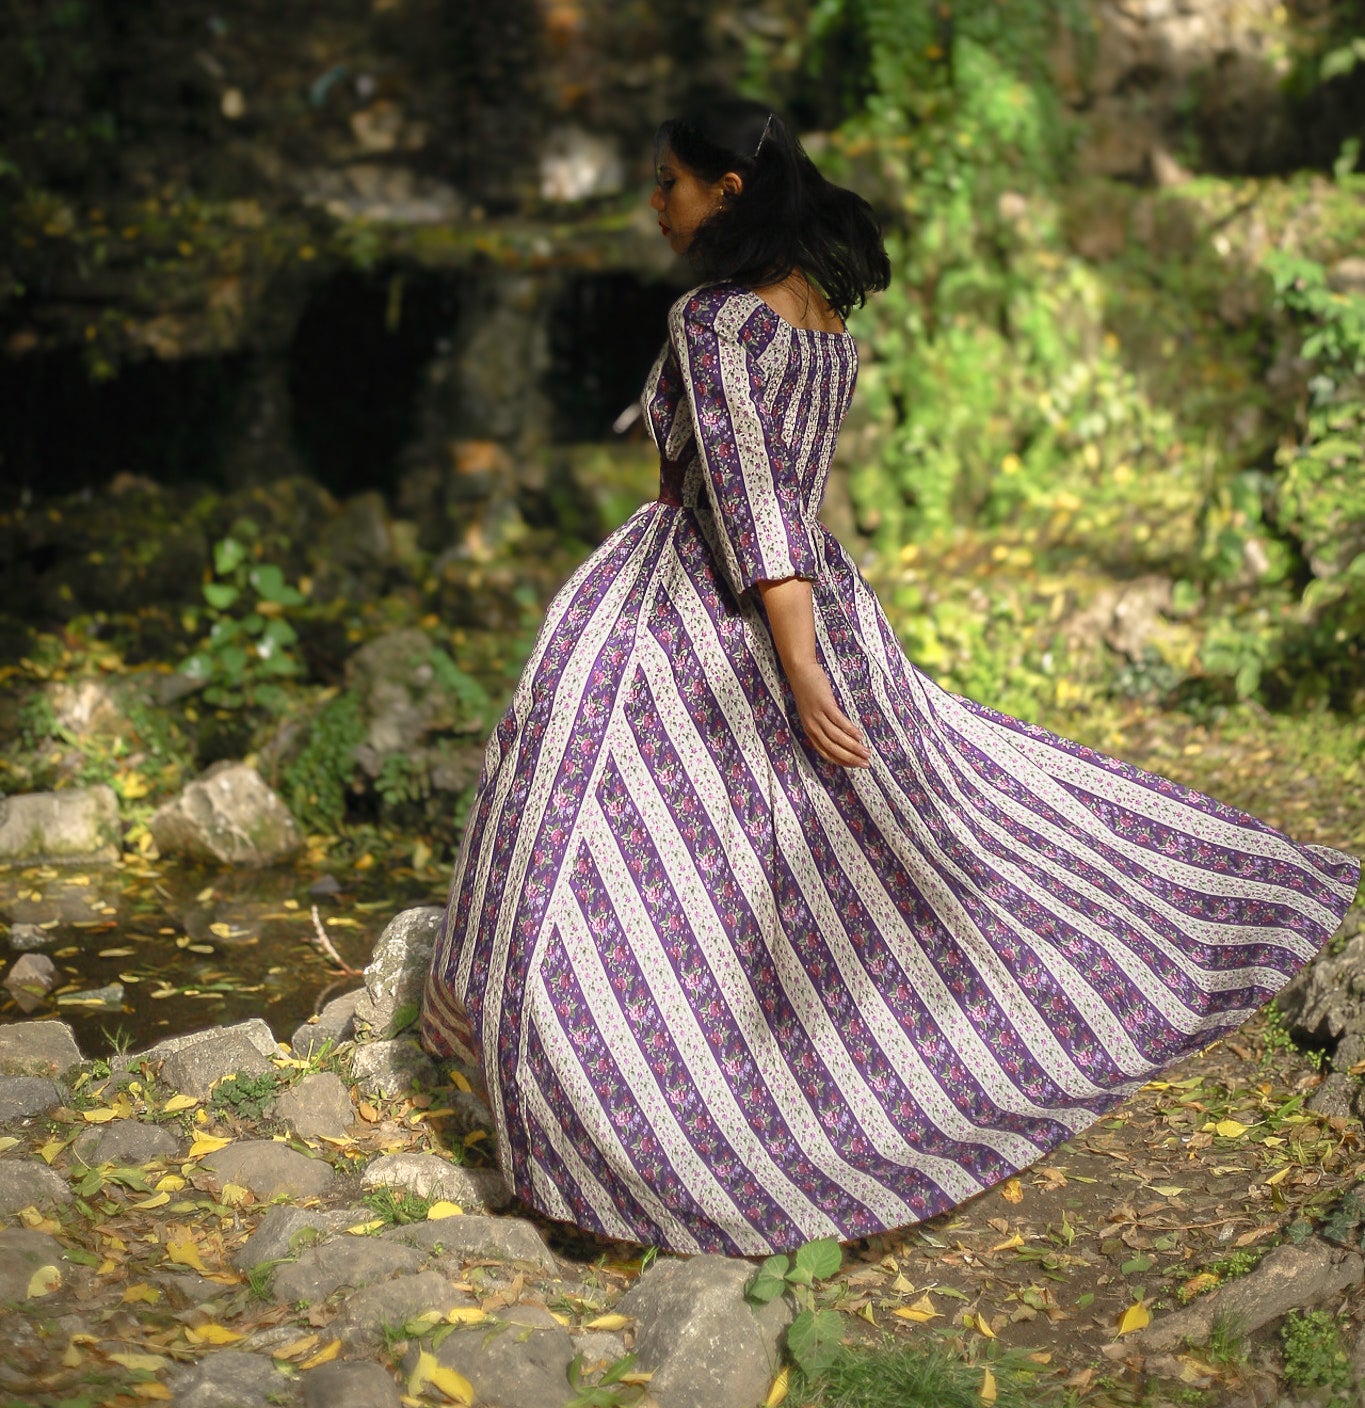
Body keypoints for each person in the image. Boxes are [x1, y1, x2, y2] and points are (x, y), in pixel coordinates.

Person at [422, 95, 1359, 1258]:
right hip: (814, 584)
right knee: (776, 846)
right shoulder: (823, 318)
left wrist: (798, 665)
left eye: (667, 180)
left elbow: (751, 499)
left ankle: (589, 1112)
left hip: (709, 591)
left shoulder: (714, 321)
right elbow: (783, 490)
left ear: (728, 190)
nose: (651, 202)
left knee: (571, 814)